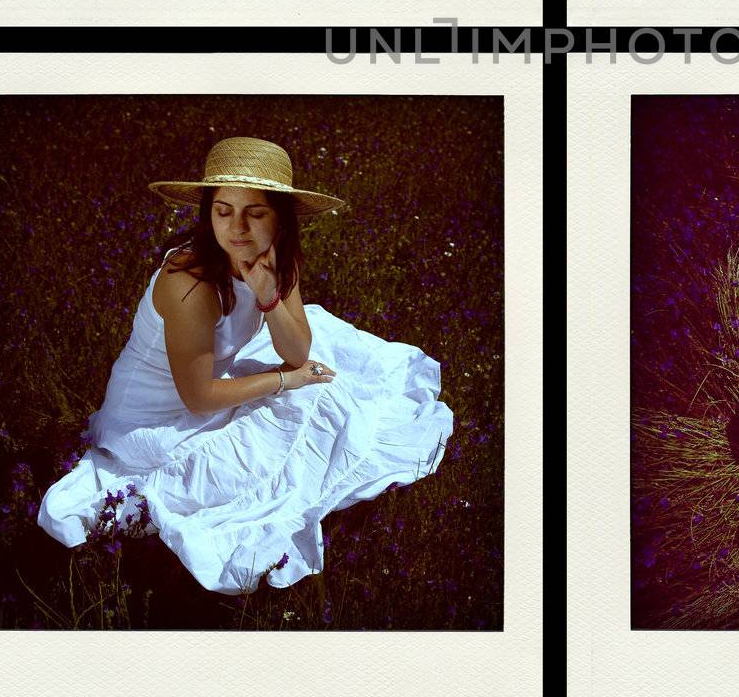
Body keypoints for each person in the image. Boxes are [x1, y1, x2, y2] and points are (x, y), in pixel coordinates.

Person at [38, 136, 453, 594]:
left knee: (325, 386)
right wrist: (282, 380)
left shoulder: (274, 257)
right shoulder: (189, 284)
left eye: (254, 213)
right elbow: (200, 397)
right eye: (222, 211)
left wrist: (269, 294)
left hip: (206, 390)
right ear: (207, 213)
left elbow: (297, 348)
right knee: (304, 398)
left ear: (278, 217)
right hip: (153, 420)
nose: (237, 228)